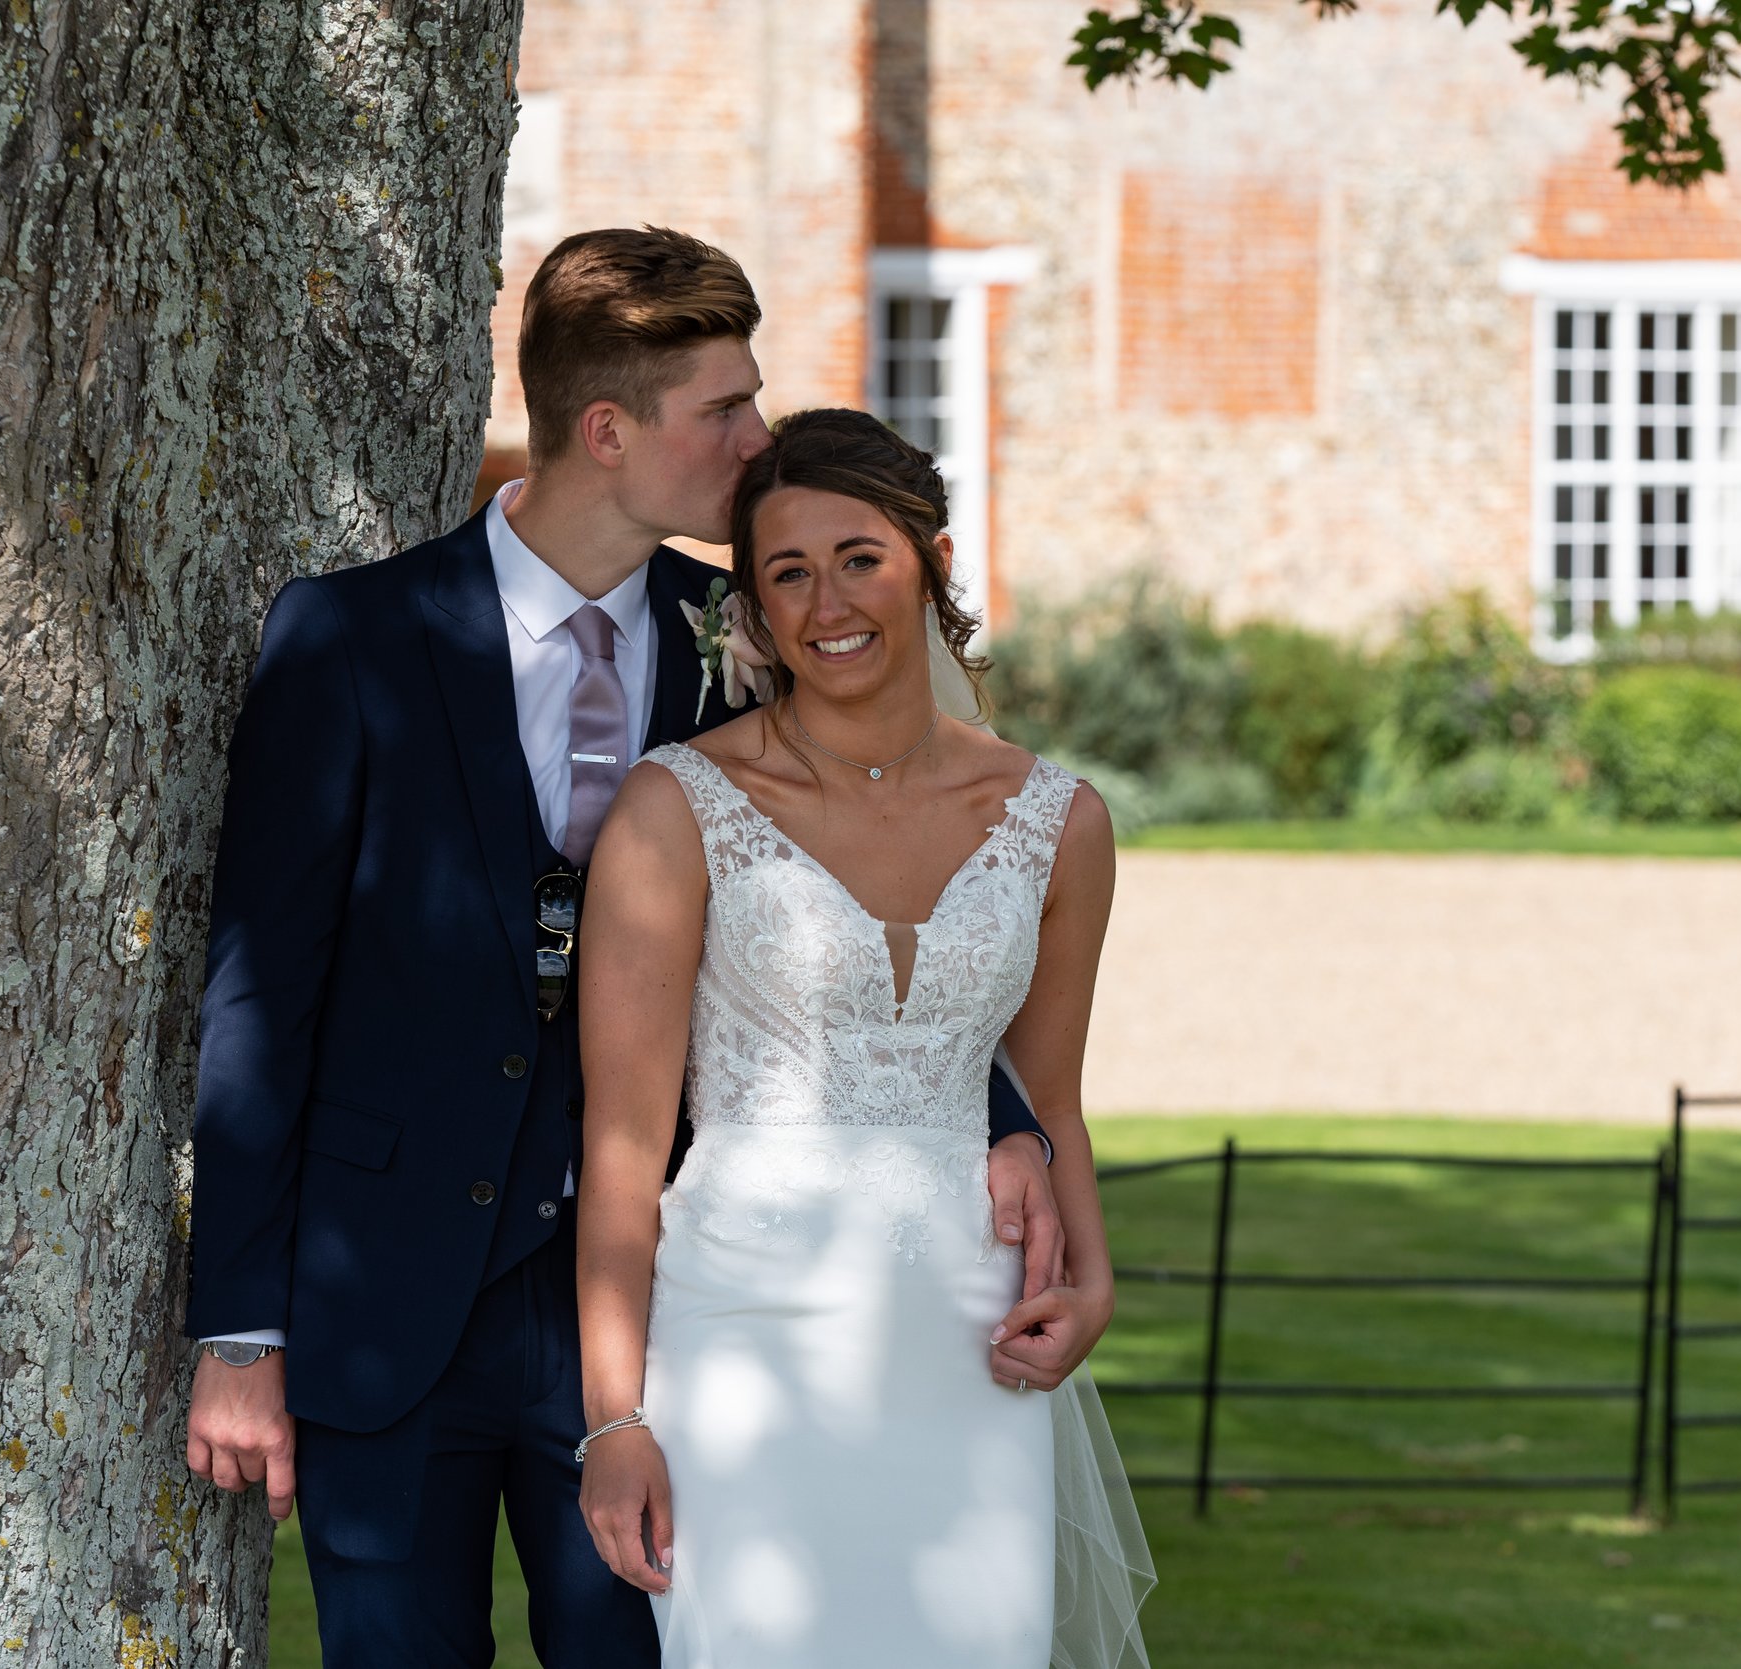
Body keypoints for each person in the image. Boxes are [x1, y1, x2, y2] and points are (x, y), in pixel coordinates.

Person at [179, 228, 1082, 1665]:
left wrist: (1003, 1119)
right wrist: (238, 1331)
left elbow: (875, 892)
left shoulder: (752, 627)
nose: (758, 438)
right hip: (385, 1306)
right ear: (611, 430)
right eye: (726, 410)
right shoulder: (354, 638)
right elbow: (259, 1000)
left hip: (670, 1315)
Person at [573, 408, 1151, 1667]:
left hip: (965, 1339)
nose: (827, 600)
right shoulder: (680, 807)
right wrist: (612, 1419)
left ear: (931, 561)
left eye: (858, 557)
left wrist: (1090, 1277)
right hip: (740, 1338)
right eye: (786, 573)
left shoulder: (1060, 821)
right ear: (756, 613)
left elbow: (1049, 1096)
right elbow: (621, 1148)